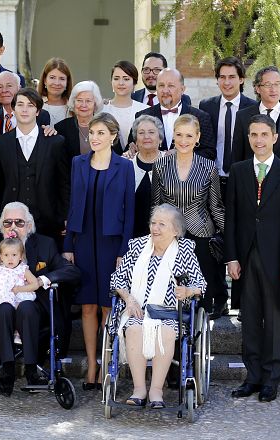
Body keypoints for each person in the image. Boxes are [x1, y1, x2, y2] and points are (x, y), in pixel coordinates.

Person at [0, 202, 81, 394]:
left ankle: (32, 369)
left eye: (19, 222)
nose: (13, 228)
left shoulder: (45, 244)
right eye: (7, 223)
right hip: (1, 307)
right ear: (1, 227)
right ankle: (7, 370)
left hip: (33, 308)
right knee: (6, 308)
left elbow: (71, 271)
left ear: (30, 226)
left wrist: (42, 280)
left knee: (25, 307)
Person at [226, 114, 280, 403]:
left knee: (273, 319)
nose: (258, 140)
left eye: (264, 134)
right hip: (245, 257)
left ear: (274, 138)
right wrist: (231, 257)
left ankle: (271, 379)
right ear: (248, 138)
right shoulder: (238, 170)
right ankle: (253, 377)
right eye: (253, 135)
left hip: (276, 258)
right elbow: (231, 218)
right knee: (248, 318)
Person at [110, 204, 206, 408]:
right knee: (134, 328)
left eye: (162, 224)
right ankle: (139, 389)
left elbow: (200, 284)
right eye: (153, 223)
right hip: (139, 310)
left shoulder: (185, 251)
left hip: (170, 314)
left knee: (166, 332)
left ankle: (156, 390)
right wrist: (129, 299)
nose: (155, 228)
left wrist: (188, 291)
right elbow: (117, 279)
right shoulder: (138, 247)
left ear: (176, 230)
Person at [64, 113, 135, 389]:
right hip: (82, 240)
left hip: (110, 242)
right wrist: (68, 244)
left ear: (113, 136)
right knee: (87, 305)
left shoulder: (124, 167)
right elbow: (73, 205)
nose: (94, 137)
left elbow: (129, 212)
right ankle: (92, 364)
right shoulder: (78, 163)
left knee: (108, 305)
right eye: (92, 132)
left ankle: (108, 362)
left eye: (101, 133)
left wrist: (123, 250)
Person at [151, 114, 226, 314]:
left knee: (200, 293)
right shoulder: (160, 165)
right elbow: (155, 206)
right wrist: (153, 236)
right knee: (169, 290)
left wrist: (229, 237)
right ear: (173, 136)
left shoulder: (209, 167)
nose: (184, 141)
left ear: (197, 137)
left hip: (201, 235)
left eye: (189, 135)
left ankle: (198, 336)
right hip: (168, 236)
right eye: (179, 135)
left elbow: (216, 206)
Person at [0, 88, 69, 246]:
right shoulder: (1, 143)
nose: (25, 109)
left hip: (48, 221)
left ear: (38, 111)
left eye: (30, 105)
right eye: (20, 104)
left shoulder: (55, 142)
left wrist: (65, 217)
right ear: (14, 109)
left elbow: (63, 183)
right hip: (11, 224)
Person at [199, 57, 258, 200]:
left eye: (232, 77)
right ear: (217, 80)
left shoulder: (253, 109)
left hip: (242, 180)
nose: (227, 82)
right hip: (211, 180)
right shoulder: (206, 106)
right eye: (222, 77)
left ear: (241, 79)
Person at [132, 68, 216, 161]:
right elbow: (133, 147)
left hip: (188, 174)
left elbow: (209, 153)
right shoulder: (142, 116)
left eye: (171, 86)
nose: (165, 90)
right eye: (161, 85)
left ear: (182, 89)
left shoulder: (201, 117)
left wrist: (183, 156)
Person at [231, 66, 280, 169]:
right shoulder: (242, 116)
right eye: (268, 85)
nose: (273, 89)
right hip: (251, 180)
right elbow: (237, 155)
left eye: (277, 84)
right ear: (257, 88)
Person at [129, 115, 166, 238]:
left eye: (151, 132)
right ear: (135, 139)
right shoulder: (126, 164)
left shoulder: (171, 163)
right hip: (132, 235)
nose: (146, 137)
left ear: (160, 138)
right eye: (141, 133)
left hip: (164, 235)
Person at [102, 60, 149, 153]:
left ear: (134, 82)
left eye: (126, 79)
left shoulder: (145, 110)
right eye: (116, 78)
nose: (121, 83)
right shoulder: (102, 109)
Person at [54, 81, 103, 157]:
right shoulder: (61, 128)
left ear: (95, 104)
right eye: (79, 100)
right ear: (73, 103)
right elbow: (60, 162)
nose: (83, 105)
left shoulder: (106, 126)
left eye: (88, 101)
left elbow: (116, 156)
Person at [37, 58, 72, 125]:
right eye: (52, 78)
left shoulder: (73, 108)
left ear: (67, 82)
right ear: (45, 81)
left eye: (62, 79)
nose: (56, 83)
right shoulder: (34, 105)